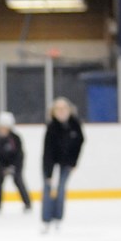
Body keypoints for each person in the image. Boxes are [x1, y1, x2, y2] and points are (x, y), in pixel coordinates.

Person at [41, 97, 84, 232]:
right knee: (48, 189)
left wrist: (73, 162)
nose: (61, 111)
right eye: (58, 109)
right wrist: (48, 173)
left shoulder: (75, 125)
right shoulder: (51, 127)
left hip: (67, 162)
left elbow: (79, 143)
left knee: (60, 189)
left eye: (64, 108)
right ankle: (46, 219)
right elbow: (47, 152)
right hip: (52, 161)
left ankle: (58, 218)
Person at [0, 111, 31, 213]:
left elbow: (19, 154)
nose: (3, 129)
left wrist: (13, 167)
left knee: (18, 180)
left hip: (16, 164)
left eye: (5, 127)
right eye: (1, 127)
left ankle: (27, 204)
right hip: (2, 164)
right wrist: (3, 167)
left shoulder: (15, 138)